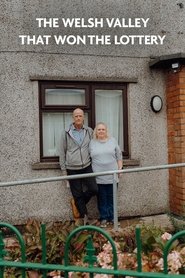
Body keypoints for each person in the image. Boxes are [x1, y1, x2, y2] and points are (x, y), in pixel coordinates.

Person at [59, 108, 98, 225]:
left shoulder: (89, 131)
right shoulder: (66, 132)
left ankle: (76, 202)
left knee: (94, 189)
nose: (78, 118)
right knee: (78, 193)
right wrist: (64, 171)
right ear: (73, 118)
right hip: (72, 168)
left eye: (80, 116)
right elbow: (62, 152)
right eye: (76, 116)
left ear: (83, 117)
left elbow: (95, 146)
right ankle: (86, 219)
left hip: (86, 166)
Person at [89, 122, 123, 228]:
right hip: (98, 177)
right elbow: (88, 158)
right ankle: (103, 218)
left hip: (112, 176)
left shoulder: (112, 141)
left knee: (111, 198)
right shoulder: (92, 143)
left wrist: (120, 169)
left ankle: (112, 218)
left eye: (103, 129)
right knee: (102, 198)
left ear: (106, 131)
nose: (101, 131)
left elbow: (119, 155)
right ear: (96, 132)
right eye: (99, 129)